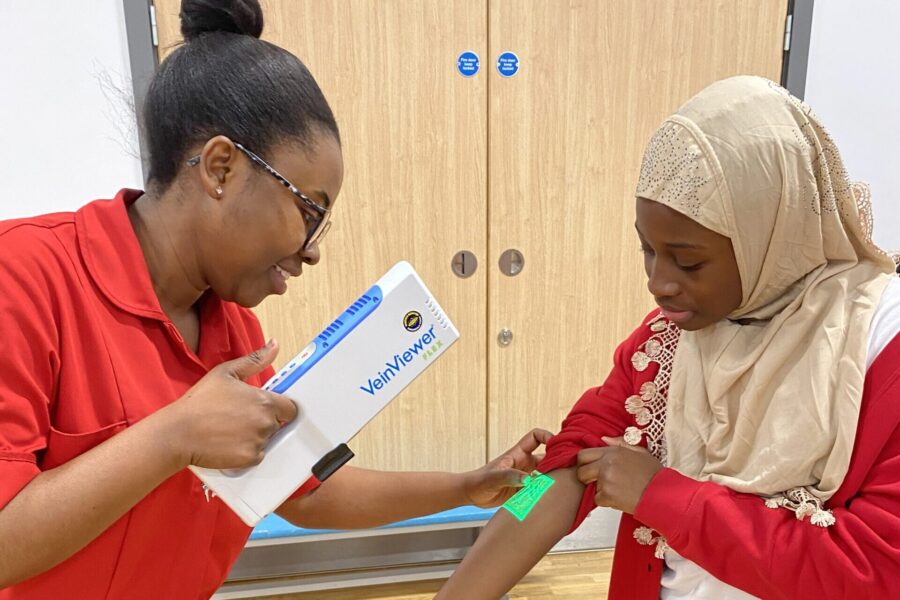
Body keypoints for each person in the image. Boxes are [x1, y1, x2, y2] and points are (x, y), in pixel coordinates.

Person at [0, 1, 550, 597]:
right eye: (309, 210)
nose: (311, 251)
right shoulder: (26, 278)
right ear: (220, 168)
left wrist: (465, 487)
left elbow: (303, 492)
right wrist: (173, 437)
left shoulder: (231, 330)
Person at [437, 76, 900, 599]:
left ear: (769, 236)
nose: (658, 284)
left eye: (688, 260)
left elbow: (876, 571)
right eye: (648, 251)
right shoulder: (670, 338)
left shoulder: (878, 346)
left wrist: (663, 496)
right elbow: (565, 467)